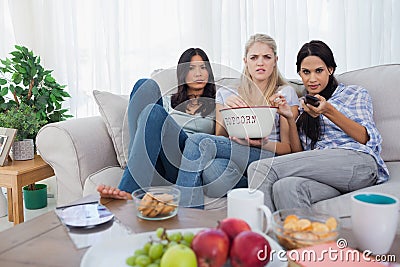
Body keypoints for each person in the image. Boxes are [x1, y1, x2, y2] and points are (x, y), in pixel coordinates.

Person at [247, 40, 389, 211]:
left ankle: (260, 236)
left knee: (260, 168)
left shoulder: (353, 93)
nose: (312, 79)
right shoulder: (302, 107)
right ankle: (299, 237)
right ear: (299, 74)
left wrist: (328, 110)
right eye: (306, 72)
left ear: (331, 69)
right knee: (286, 187)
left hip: (358, 163)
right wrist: (290, 119)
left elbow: (365, 137)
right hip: (327, 175)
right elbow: (300, 156)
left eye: (319, 71)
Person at [175, 33, 300, 208]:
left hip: (266, 155)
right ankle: (250, 185)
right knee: (214, 170)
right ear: (245, 61)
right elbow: (219, 138)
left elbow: (289, 150)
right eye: (254, 57)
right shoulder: (226, 94)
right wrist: (227, 111)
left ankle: (186, 212)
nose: (260, 62)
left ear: (275, 60)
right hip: (235, 155)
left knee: (197, 141)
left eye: (267, 57)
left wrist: (260, 143)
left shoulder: (285, 93)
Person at [97, 48, 216, 199]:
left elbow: (218, 141)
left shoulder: (217, 104)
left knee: (154, 111)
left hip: (184, 161)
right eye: (191, 68)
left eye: (203, 67)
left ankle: (126, 191)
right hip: (157, 160)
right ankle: (137, 164)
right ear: (183, 73)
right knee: (144, 85)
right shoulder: (167, 102)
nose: (198, 73)